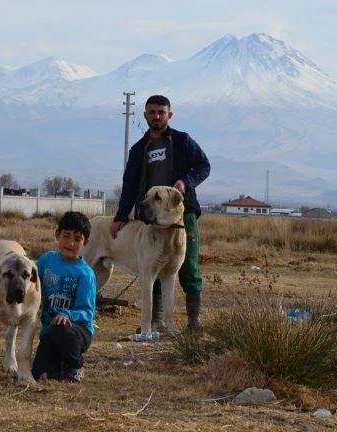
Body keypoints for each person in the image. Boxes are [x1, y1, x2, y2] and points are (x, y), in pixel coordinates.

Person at [111, 95, 210, 331]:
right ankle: (154, 321)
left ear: (169, 115)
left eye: (161, 112)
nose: (156, 116)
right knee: (152, 266)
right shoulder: (138, 150)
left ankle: (193, 322)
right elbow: (130, 185)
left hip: (181, 216)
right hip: (150, 218)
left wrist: (186, 182)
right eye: (152, 112)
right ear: (145, 115)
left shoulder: (183, 141)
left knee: (188, 268)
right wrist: (121, 216)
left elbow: (204, 166)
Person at [32, 211, 96, 382]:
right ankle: (61, 366)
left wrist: (67, 315)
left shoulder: (85, 274)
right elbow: (32, 288)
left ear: (85, 242)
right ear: (57, 235)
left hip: (76, 332)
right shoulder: (46, 261)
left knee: (62, 328)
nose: (70, 243)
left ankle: (76, 365)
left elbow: (87, 313)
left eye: (77, 239)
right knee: (40, 374)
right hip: (49, 332)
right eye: (66, 236)